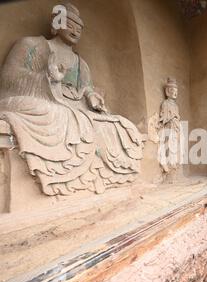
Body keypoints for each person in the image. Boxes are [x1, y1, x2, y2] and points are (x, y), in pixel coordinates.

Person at [0, 3, 144, 196]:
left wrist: (91, 96)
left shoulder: (80, 63)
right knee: (52, 113)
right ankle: (56, 176)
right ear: (57, 22)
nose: (76, 30)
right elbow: (8, 78)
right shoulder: (30, 45)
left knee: (118, 124)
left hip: (75, 107)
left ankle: (102, 177)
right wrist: (46, 78)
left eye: (80, 27)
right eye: (70, 23)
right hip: (41, 99)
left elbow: (86, 89)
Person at [157, 77, 184, 183]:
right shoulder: (165, 103)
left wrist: (176, 121)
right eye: (173, 90)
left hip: (176, 128)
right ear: (168, 91)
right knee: (170, 150)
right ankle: (170, 173)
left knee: (177, 149)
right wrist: (171, 119)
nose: (175, 93)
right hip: (170, 128)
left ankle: (177, 172)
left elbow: (177, 116)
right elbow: (163, 117)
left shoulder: (175, 105)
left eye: (176, 91)